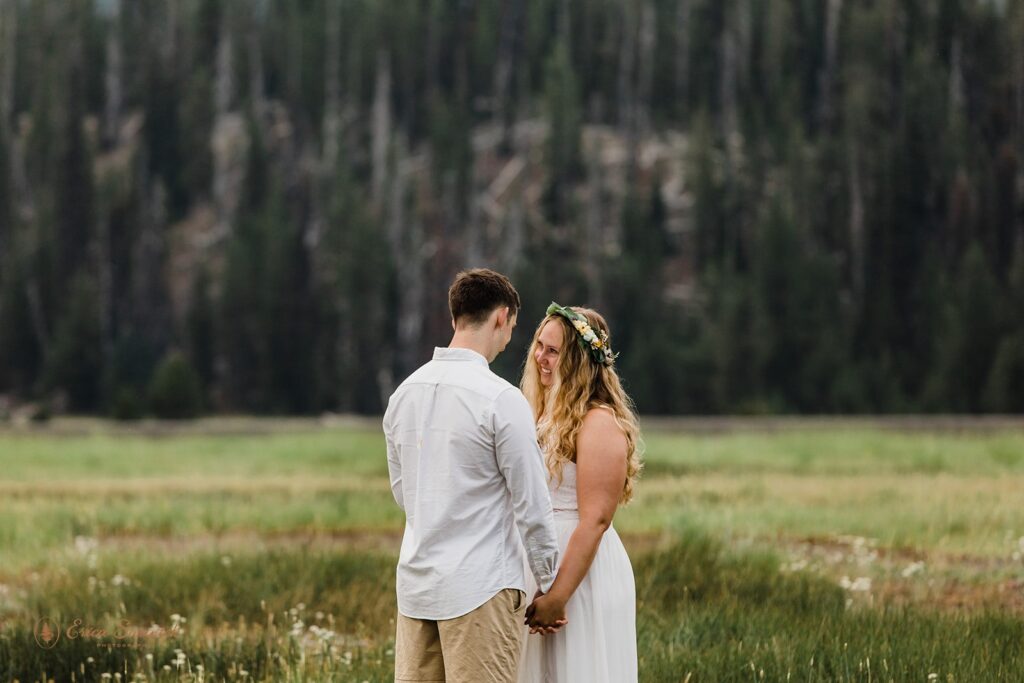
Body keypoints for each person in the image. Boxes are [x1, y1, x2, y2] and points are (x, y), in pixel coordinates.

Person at [383, 269, 565, 683]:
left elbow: (405, 494)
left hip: (417, 588)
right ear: (501, 317)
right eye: (512, 328)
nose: (508, 340)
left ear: (455, 319)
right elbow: (532, 505)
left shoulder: (402, 396)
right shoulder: (502, 399)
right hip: (482, 590)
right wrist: (549, 586)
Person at [518, 302, 642, 683]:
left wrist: (558, 595)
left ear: (578, 360)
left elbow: (597, 519)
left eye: (553, 350)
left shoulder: (599, 421)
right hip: (537, 559)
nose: (541, 357)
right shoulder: (541, 415)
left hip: (581, 572)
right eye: (539, 345)